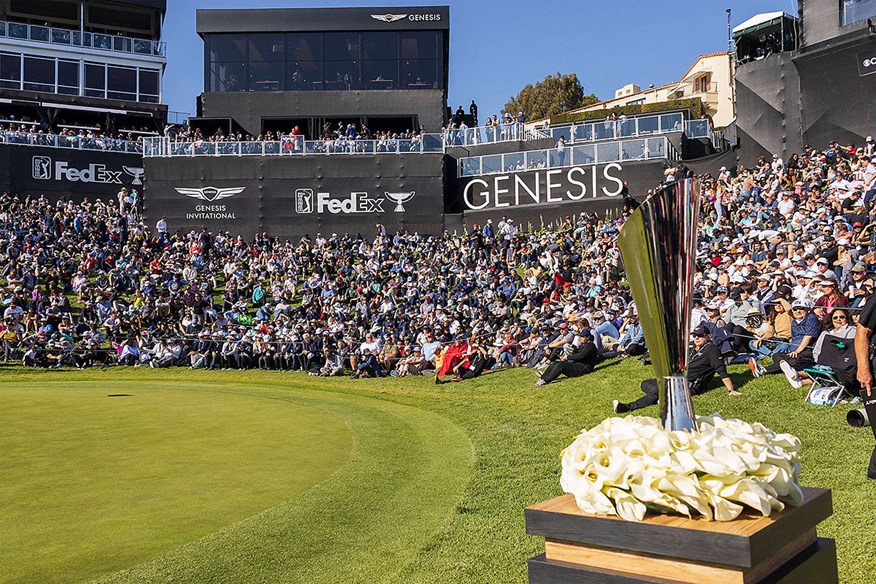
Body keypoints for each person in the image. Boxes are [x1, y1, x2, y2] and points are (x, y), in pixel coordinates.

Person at [613, 324, 741, 413]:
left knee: (660, 390)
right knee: (645, 384)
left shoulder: (711, 350)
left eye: (700, 335)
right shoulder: (691, 347)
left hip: (690, 385)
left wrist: (731, 390)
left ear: (707, 336)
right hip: (676, 378)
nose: (696, 338)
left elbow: (721, 370)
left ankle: (628, 407)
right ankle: (665, 398)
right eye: (695, 335)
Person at [534, 328, 599, 386]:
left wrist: (568, 357)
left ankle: (545, 380)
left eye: (582, 337)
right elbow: (577, 353)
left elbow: (581, 356)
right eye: (580, 336)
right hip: (578, 365)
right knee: (556, 362)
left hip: (584, 368)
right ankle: (543, 377)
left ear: (587, 337)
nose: (580, 338)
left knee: (561, 365)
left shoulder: (590, 345)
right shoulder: (583, 345)